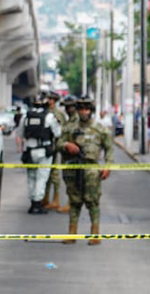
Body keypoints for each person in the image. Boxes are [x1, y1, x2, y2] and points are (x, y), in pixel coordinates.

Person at [58, 97, 114, 246]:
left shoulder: (100, 129)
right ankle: (72, 234)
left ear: (91, 111)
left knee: (93, 201)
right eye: (81, 109)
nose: (84, 112)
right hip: (73, 167)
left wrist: (108, 166)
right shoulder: (70, 128)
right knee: (74, 202)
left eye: (86, 109)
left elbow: (109, 148)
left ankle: (95, 234)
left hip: (91, 169)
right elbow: (58, 143)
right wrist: (66, 145)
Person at [21, 94, 61, 214]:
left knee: (31, 177)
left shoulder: (25, 117)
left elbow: (20, 133)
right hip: (43, 151)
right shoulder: (49, 117)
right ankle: (38, 204)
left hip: (29, 150)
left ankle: (33, 203)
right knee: (41, 178)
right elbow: (58, 133)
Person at [42, 92, 67, 211]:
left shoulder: (59, 113)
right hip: (44, 144)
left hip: (54, 146)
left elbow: (61, 130)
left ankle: (56, 199)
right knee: (44, 173)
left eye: (52, 99)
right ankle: (44, 197)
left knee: (54, 174)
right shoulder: (44, 111)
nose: (50, 101)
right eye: (48, 98)